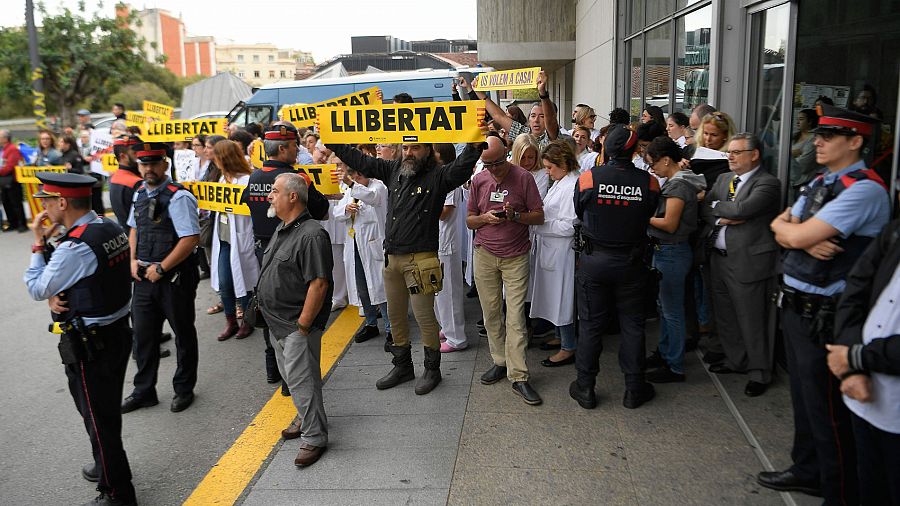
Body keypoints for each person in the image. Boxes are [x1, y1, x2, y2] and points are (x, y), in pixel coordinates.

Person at [759, 105, 889, 504]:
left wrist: (796, 233)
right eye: (818, 134)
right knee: (805, 399)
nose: (817, 140)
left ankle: (838, 489)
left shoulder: (864, 188)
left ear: (856, 141)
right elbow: (779, 226)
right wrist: (796, 232)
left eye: (829, 136)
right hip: (799, 305)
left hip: (828, 313)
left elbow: (791, 234)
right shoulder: (822, 181)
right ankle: (808, 469)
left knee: (829, 410)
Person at [325, 129, 486, 395]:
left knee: (425, 318)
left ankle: (432, 370)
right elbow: (360, 160)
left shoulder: (439, 175)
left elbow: (463, 166)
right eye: (406, 148)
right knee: (397, 317)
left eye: (416, 148)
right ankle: (402, 366)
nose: (409, 153)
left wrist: (475, 138)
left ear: (427, 150)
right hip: (393, 259)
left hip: (421, 259)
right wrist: (332, 140)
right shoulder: (393, 170)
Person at [24, 173, 137, 506]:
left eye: (46, 200)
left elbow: (37, 287)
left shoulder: (74, 247)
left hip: (91, 344)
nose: (42, 206)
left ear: (61, 203)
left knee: (98, 419)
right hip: (115, 332)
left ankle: (117, 492)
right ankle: (106, 465)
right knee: (103, 413)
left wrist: (37, 242)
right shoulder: (108, 227)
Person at [571, 124, 660, 409]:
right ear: (634, 150)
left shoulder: (588, 178)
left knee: (591, 325)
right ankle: (634, 388)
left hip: (595, 260)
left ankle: (585, 387)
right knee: (633, 325)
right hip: (632, 263)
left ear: (605, 150)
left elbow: (579, 210)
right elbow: (651, 212)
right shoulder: (649, 182)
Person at [241, 123, 330, 404]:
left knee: (269, 310)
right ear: (283, 148)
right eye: (294, 146)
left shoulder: (254, 177)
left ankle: (277, 373)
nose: (298, 150)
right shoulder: (294, 179)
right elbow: (320, 210)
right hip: (291, 252)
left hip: (263, 250)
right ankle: (296, 377)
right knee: (293, 317)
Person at [258, 172, 332, 468]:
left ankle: (314, 438)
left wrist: (303, 326)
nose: (269, 196)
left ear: (292, 196)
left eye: (274, 191)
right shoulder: (282, 228)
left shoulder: (312, 233)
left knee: (303, 382)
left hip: (295, 325)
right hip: (277, 322)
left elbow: (318, 284)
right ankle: (304, 418)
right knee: (292, 378)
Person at [121, 142, 201, 414]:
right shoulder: (139, 193)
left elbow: (190, 238)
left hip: (173, 278)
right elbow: (134, 229)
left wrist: (163, 268)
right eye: (143, 164)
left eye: (154, 163)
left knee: (183, 334)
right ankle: (144, 391)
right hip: (144, 277)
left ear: (165, 164)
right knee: (143, 336)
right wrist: (132, 260)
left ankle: (184, 389)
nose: (148, 169)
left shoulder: (179, 197)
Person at [701, 133, 781, 396]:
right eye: (729, 152)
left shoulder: (768, 183)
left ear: (754, 154)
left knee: (753, 318)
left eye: (736, 152)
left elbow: (742, 210)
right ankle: (736, 360)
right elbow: (706, 209)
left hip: (748, 262)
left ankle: (759, 372)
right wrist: (723, 214)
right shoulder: (724, 179)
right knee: (726, 316)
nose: (730, 157)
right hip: (719, 259)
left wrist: (721, 210)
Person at [467, 135, 545, 405]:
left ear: (507, 155)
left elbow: (539, 215)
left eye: (499, 163)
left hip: (515, 256)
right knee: (490, 314)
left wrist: (515, 216)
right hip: (485, 254)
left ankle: (519, 375)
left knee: (515, 318)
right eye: (488, 165)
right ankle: (500, 361)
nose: (494, 169)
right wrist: (485, 218)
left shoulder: (524, 177)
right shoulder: (479, 180)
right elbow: (469, 220)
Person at [829, 218, 900, 506]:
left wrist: (856, 357)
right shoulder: (895, 230)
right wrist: (852, 366)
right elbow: (856, 286)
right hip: (864, 397)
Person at [644, 136, 706, 384]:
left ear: (666, 160)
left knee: (672, 311)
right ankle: (666, 352)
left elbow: (669, 223)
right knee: (665, 308)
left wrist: (642, 217)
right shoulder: (675, 182)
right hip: (667, 252)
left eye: (653, 163)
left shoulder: (679, 186)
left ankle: (675, 364)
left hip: (672, 251)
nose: (652, 169)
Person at [530, 140, 579, 368]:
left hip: (561, 253)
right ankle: (560, 337)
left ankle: (568, 346)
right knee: (553, 298)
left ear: (563, 163)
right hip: (551, 250)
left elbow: (570, 225)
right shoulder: (561, 182)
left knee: (562, 299)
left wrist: (539, 225)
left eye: (550, 167)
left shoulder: (572, 185)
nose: (547, 172)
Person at [332, 159, 391, 345]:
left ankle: (391, 328)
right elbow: (337, 212)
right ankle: (371, 323)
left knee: (381, 287)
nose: (357, 179)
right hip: (355, 244)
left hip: (373, 244)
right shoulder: (350, 190)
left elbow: (371, 198)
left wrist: (351, 184)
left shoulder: (379, 187)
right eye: (354, 177)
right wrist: (347, 209)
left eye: (359, 176)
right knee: (362, 286)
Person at [210, 140, 258, 341]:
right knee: (225, 282)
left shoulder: (246, 181)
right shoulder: (222, 180)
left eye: (216, 156)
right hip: (223, 239)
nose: (214, 160)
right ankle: (231, 321)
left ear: (224, 158)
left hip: (240, 237)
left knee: (242, 280)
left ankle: (248, 321)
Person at [468, 70, 562, 151]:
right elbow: (499, 116)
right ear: (528, 119)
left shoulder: (552, 137)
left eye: (542, 116)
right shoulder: (523, 133)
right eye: (533, 116)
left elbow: (551, 120)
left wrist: (542, 93)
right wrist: (479, 93)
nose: (536, 120)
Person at [432, 145, 468, 353]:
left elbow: (445, 212)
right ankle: (447, 327)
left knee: (449, 291)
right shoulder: (438, 177)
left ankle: (457, 337)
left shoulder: (449, 180)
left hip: (447, 242)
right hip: (437, 240)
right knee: (438, 291)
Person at [108, 135, 144, 232]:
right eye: (135, 153)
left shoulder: (114, 177)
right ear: (123, 156)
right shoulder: (136, 182)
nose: (140, 155)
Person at [0, 129, 27, 232]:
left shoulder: (12, 149)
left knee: (16, 203)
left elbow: (10, 166)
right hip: (4, 180)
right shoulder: (3, 149)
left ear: (5, 138)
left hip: (12, 180)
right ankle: (13, 223)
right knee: (6, 202)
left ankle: (21, 224)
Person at [790, 108, 821, 197]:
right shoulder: (793, 135)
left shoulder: (813, 140)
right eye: (797, 119)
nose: (797, 122)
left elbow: (802, 166)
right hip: (790, 183)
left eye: (801, 119)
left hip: (803, 184)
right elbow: (778, 156)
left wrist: (789, 155)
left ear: (810, 121)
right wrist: (793, 153)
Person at [510, 133, 546, 198]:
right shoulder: (507, 170)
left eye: (530, 157)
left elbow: (536, 201)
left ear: (536, 155)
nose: (526, 162)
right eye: (522, 158)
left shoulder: (542, 173)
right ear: (516, 156)